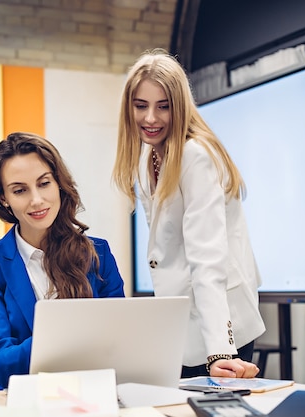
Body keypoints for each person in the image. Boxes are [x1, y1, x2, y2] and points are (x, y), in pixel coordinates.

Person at [112, 49, 266, 379]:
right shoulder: (147, 157)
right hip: (186, 324)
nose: (150, 118)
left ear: (179, 106)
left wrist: (220, 351)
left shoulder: (196, 156)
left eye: (163, 106)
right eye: (141, 106)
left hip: (222, 329)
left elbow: (207, 257)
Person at [0, 132, 125, 390]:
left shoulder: (98, 253)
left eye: (44, 183)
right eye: (20, 190)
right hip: (24, 399)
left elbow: (120, 344)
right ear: (4, 198)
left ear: (58, 183)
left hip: (93, 394)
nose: (36, 200)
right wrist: (61, 331)